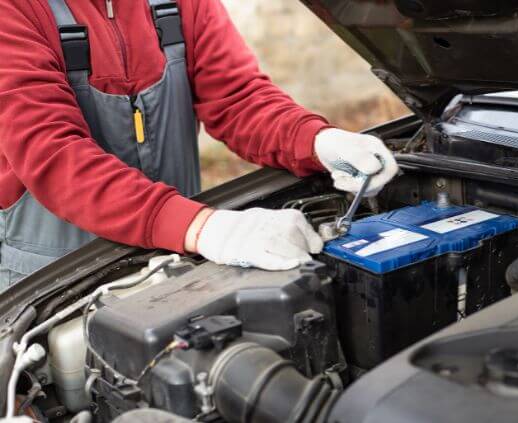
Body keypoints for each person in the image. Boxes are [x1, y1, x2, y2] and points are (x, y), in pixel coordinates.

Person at [0, 0, 398, 288]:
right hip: (51, 282)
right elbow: (54, 154)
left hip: (177, 256)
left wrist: (316, 140)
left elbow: (237, 98)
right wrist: (207, 228)